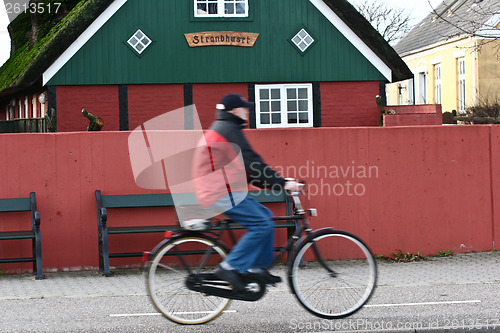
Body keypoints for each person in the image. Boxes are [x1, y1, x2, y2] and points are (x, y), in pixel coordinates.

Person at [192, 93, 299, 291]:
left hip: (222, 189)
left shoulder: (224, 129)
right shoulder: (228, 130)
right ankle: (230, 266)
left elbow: (248, 171)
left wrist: (278, 183)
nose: (247, 111)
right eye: (244, 108)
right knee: (261, 223)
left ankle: (258, 269)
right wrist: (282, 183)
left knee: (266, 216)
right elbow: (252, 162)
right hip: (218, 191)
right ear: (234, 110)